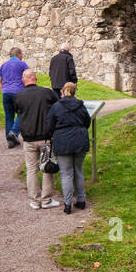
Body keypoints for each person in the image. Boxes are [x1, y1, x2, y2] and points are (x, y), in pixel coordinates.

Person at [14, 70, 60, 210]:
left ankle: (35, 200)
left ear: (23, 80)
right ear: (36, 78)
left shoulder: (18, 96)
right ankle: (46, 200)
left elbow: (18, 112)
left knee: (31, 169)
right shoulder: (46, 93)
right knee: (47, 166)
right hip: (45, 136)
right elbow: (57, 107)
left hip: (28, 137)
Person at [46, 82, 91, 214]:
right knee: (78, 171)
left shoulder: (56, 107)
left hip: (63, 141)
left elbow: (49, 126)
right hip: (80, 140)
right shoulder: (81, 106)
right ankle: (81, 201)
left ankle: (67, 204)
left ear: (62, 92)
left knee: (66, 173)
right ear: (75, 91)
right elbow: (87, 122)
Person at [0, 47, 29, 146]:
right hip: (18, 93)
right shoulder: (22, 64)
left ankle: (10, 141)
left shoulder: (3, 65)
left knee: (9, 116)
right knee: (23, 112)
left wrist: (3, 91)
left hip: (6, 93)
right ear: (19, 54)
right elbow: (28, 77)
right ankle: (14, 133)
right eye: (22, 54)